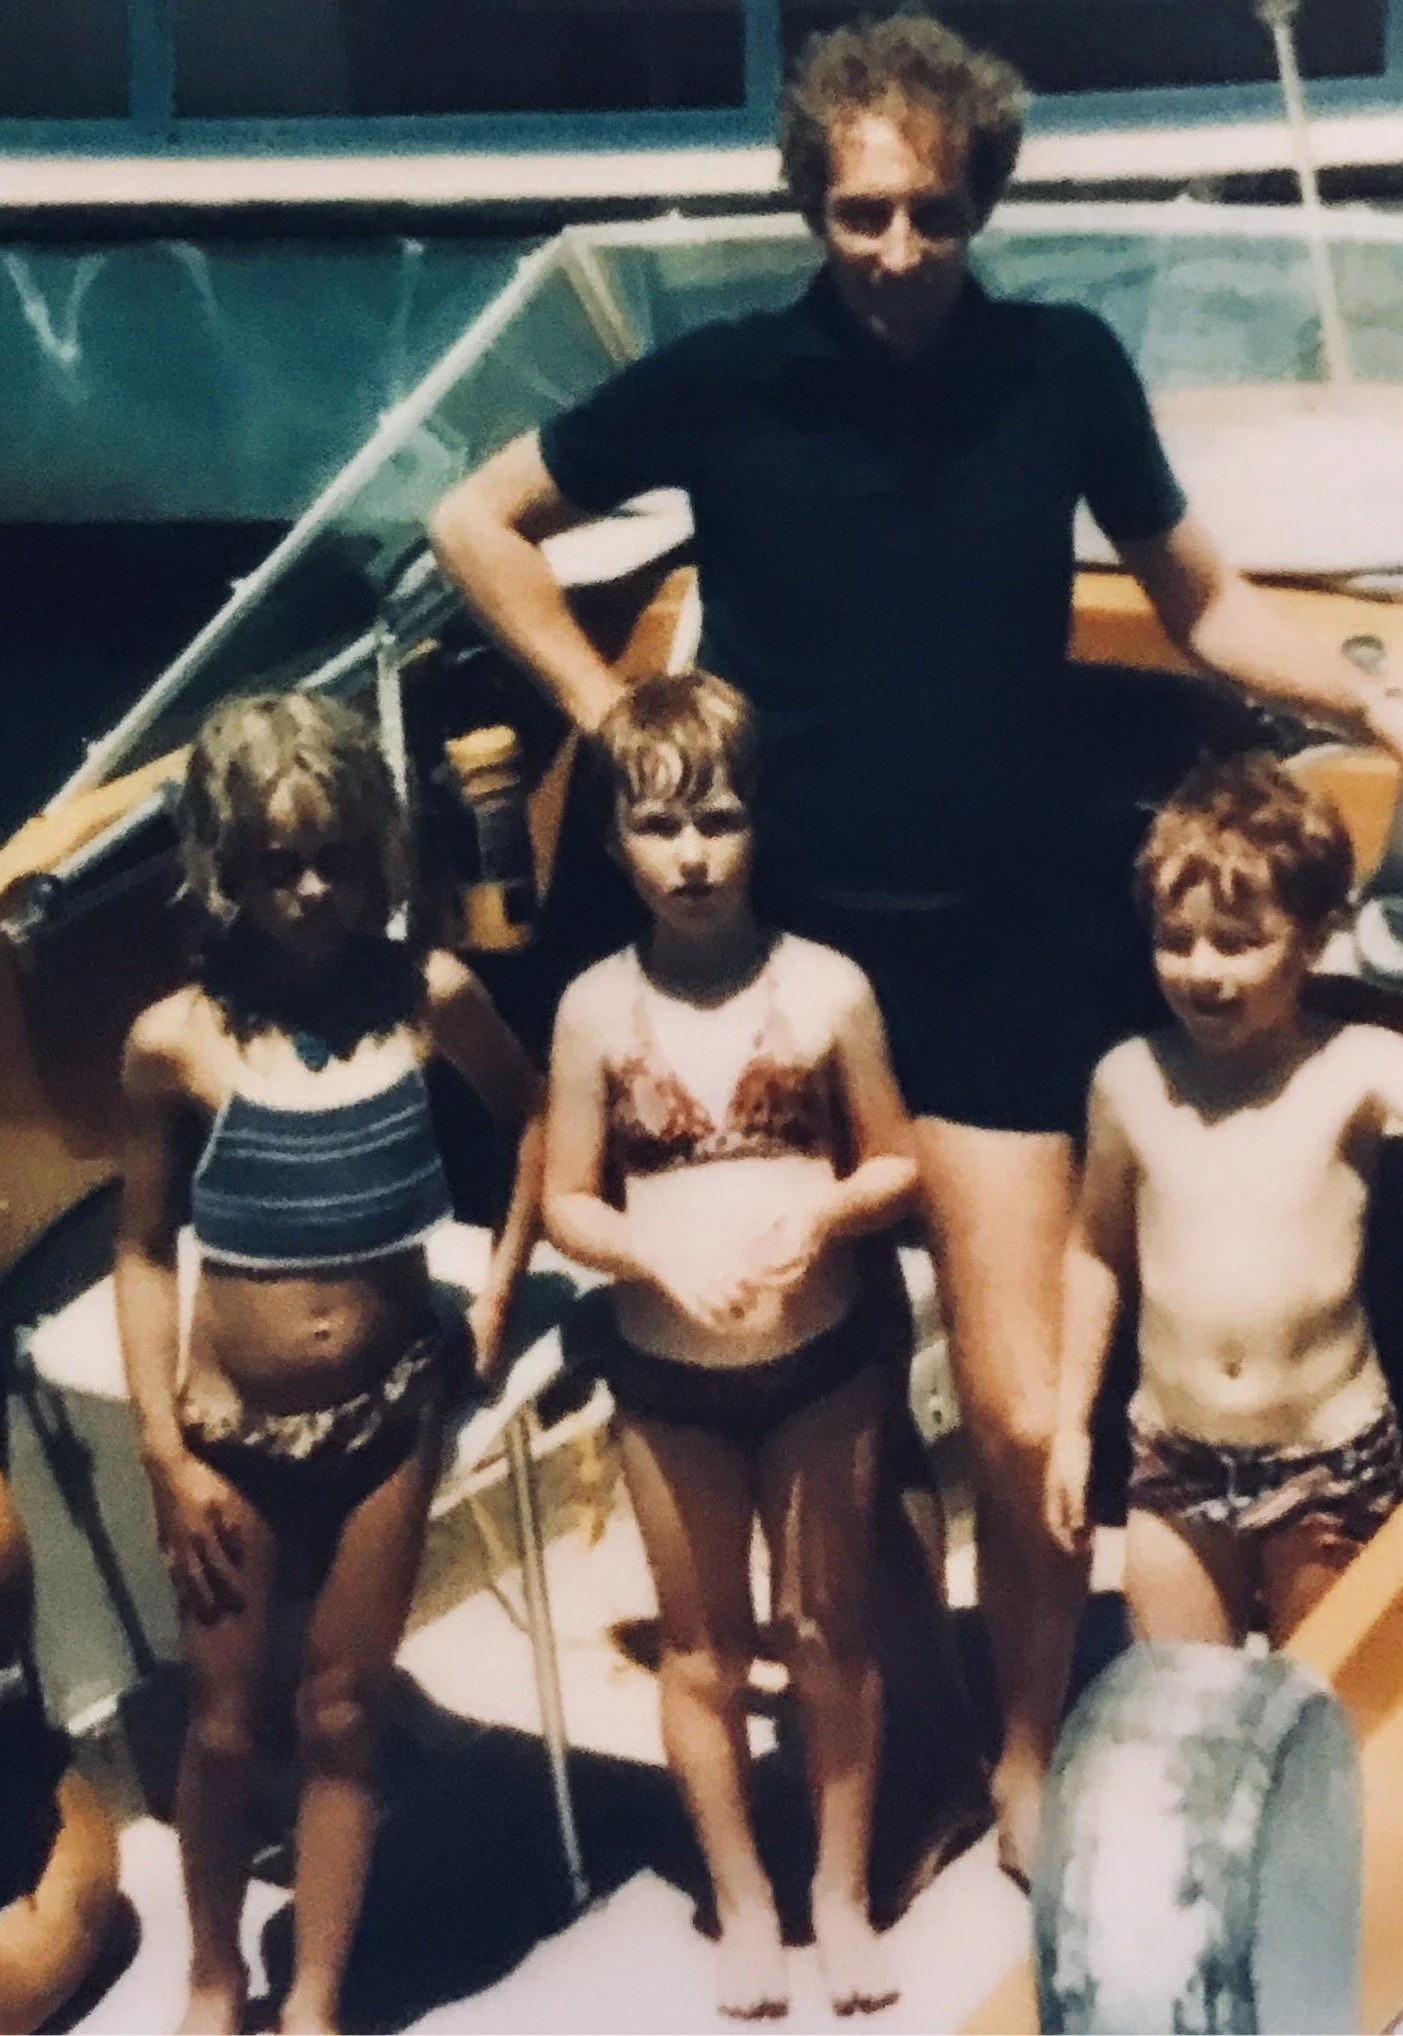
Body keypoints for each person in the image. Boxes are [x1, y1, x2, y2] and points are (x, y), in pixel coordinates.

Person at [430, 11, 1403, 1879]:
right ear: (812, 201)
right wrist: (607, 712)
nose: (894, 255)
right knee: (832, 1406)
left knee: (1026, 1409)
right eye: (861, 215)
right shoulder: (723, 383)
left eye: (932, 216)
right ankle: (922, 1743)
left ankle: (1027, 1750)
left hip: (1003, 955)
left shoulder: (1062, 371)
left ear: (979, 204)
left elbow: (1197, 599)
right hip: (778, 963)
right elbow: (478, 518)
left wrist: (1395, 717)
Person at [115, 690, 544, 2036]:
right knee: (230, 1727)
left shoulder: (435, 998)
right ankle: (211, 1969)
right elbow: (139, 1251)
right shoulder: (174, 1040)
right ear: (223, 868)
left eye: (336, 858)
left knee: (347, 1711)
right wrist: (164, 1452)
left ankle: (313, 1995)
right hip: (229, 1433)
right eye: (275, 862)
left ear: (381, 856)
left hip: (390, 1416)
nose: (307, 890)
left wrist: (496, 1299)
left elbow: (535, 1122)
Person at [543, 670, 918, 2019]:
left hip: (822, 1373)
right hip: (667, 1389)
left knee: (831, 1641)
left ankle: (840, 1893)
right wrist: (655, 1252)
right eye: (656, 828)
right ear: (612, 848)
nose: (691, 854)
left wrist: (825, 1212)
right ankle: (746, 1903)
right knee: (702, 1657)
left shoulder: (828, 990)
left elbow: (896, 1166)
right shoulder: (592, 1009)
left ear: (760, 825)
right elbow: (566, 1202)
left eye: (716, 819)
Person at [1045, 754, 1403, 1644]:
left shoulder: (1358, 1064)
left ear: (1311, 940)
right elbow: (1094, 1251)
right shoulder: (1130, 1080)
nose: (1201, 970)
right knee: (1188, 1709)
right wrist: (1071, 1427)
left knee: (1321, 1696)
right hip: (1171, 1456)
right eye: (1175, 941)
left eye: (1237, 941)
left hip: (1327, 1457)